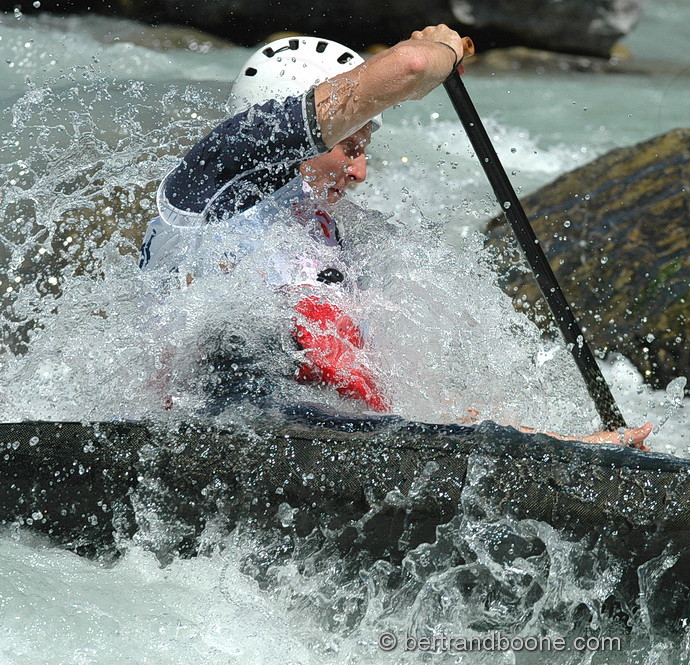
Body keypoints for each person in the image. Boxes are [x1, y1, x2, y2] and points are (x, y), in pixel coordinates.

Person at [138, 24, 652, 449]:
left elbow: (385, 400)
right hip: (214, 428)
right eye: (350, 146)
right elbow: (407, 69)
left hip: (306, 433)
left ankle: (557, 445)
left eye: (366, 147)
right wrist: (442, 48)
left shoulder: (321, 236)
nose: (360, 172)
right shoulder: (216, 175)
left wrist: (533, 438)